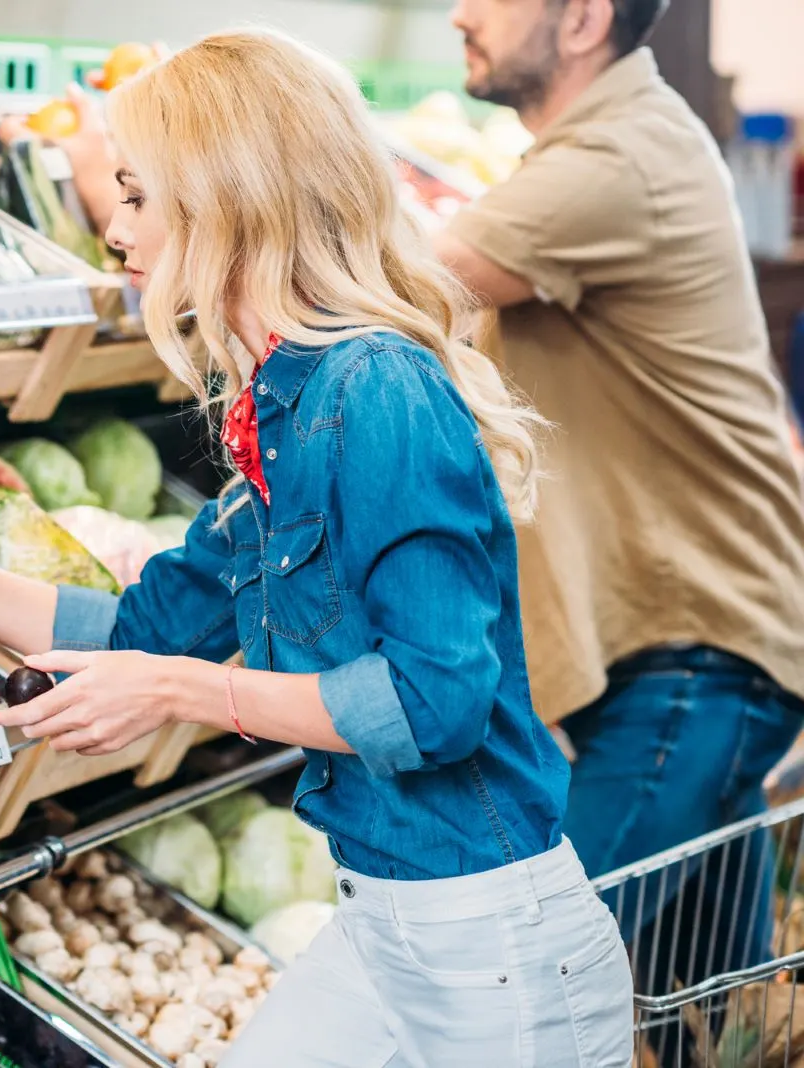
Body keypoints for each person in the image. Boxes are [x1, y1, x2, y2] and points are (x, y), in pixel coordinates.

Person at [0, 30, 634, 1066]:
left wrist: (180, 693)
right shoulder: (286, 411)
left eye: (135, 195)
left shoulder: (375, 391)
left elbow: (436, 701)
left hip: (491, 946)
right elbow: (133, 626)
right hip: (386, 921)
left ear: (227, 203)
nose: (113, 228)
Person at [434, 0, 804, 1005]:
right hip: (707, 644)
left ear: (584, 18)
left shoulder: (614, 160)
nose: (459, 11)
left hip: (696, 658)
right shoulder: (614, 142)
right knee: (692, 1014)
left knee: (518, 994)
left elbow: (393, 287)